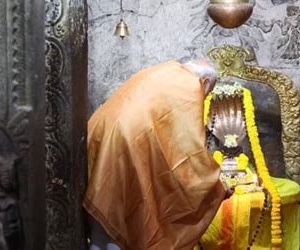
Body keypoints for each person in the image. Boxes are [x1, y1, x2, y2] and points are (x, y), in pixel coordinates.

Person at [84, 59, 230, 249]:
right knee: (120, 213)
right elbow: (188, 151)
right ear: (207, 82)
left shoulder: (166, 69)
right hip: (127, 142)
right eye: (208, 93)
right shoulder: (191, 85)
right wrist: (215, 187)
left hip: (100, 132)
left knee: (106, 209)